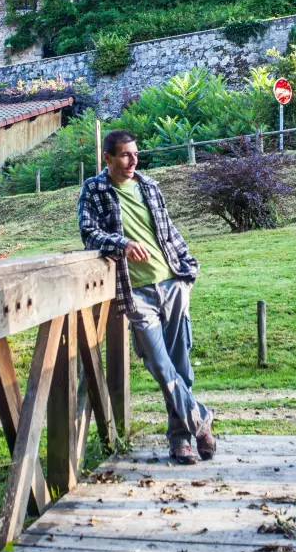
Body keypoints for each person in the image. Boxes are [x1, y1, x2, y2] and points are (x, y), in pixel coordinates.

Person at [78, 128, 215, 464]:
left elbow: (168, 231)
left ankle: (180, 440)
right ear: (107, 158)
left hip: (172, 284)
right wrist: (121, 244)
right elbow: (88, 232)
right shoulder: (95, 189)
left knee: (181, 368)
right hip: (136, 292)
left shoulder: (149, 186)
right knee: (159, 363)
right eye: (124, 154)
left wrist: (189, 271)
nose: (132, 160)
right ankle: (201, 419)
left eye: (135, 154)